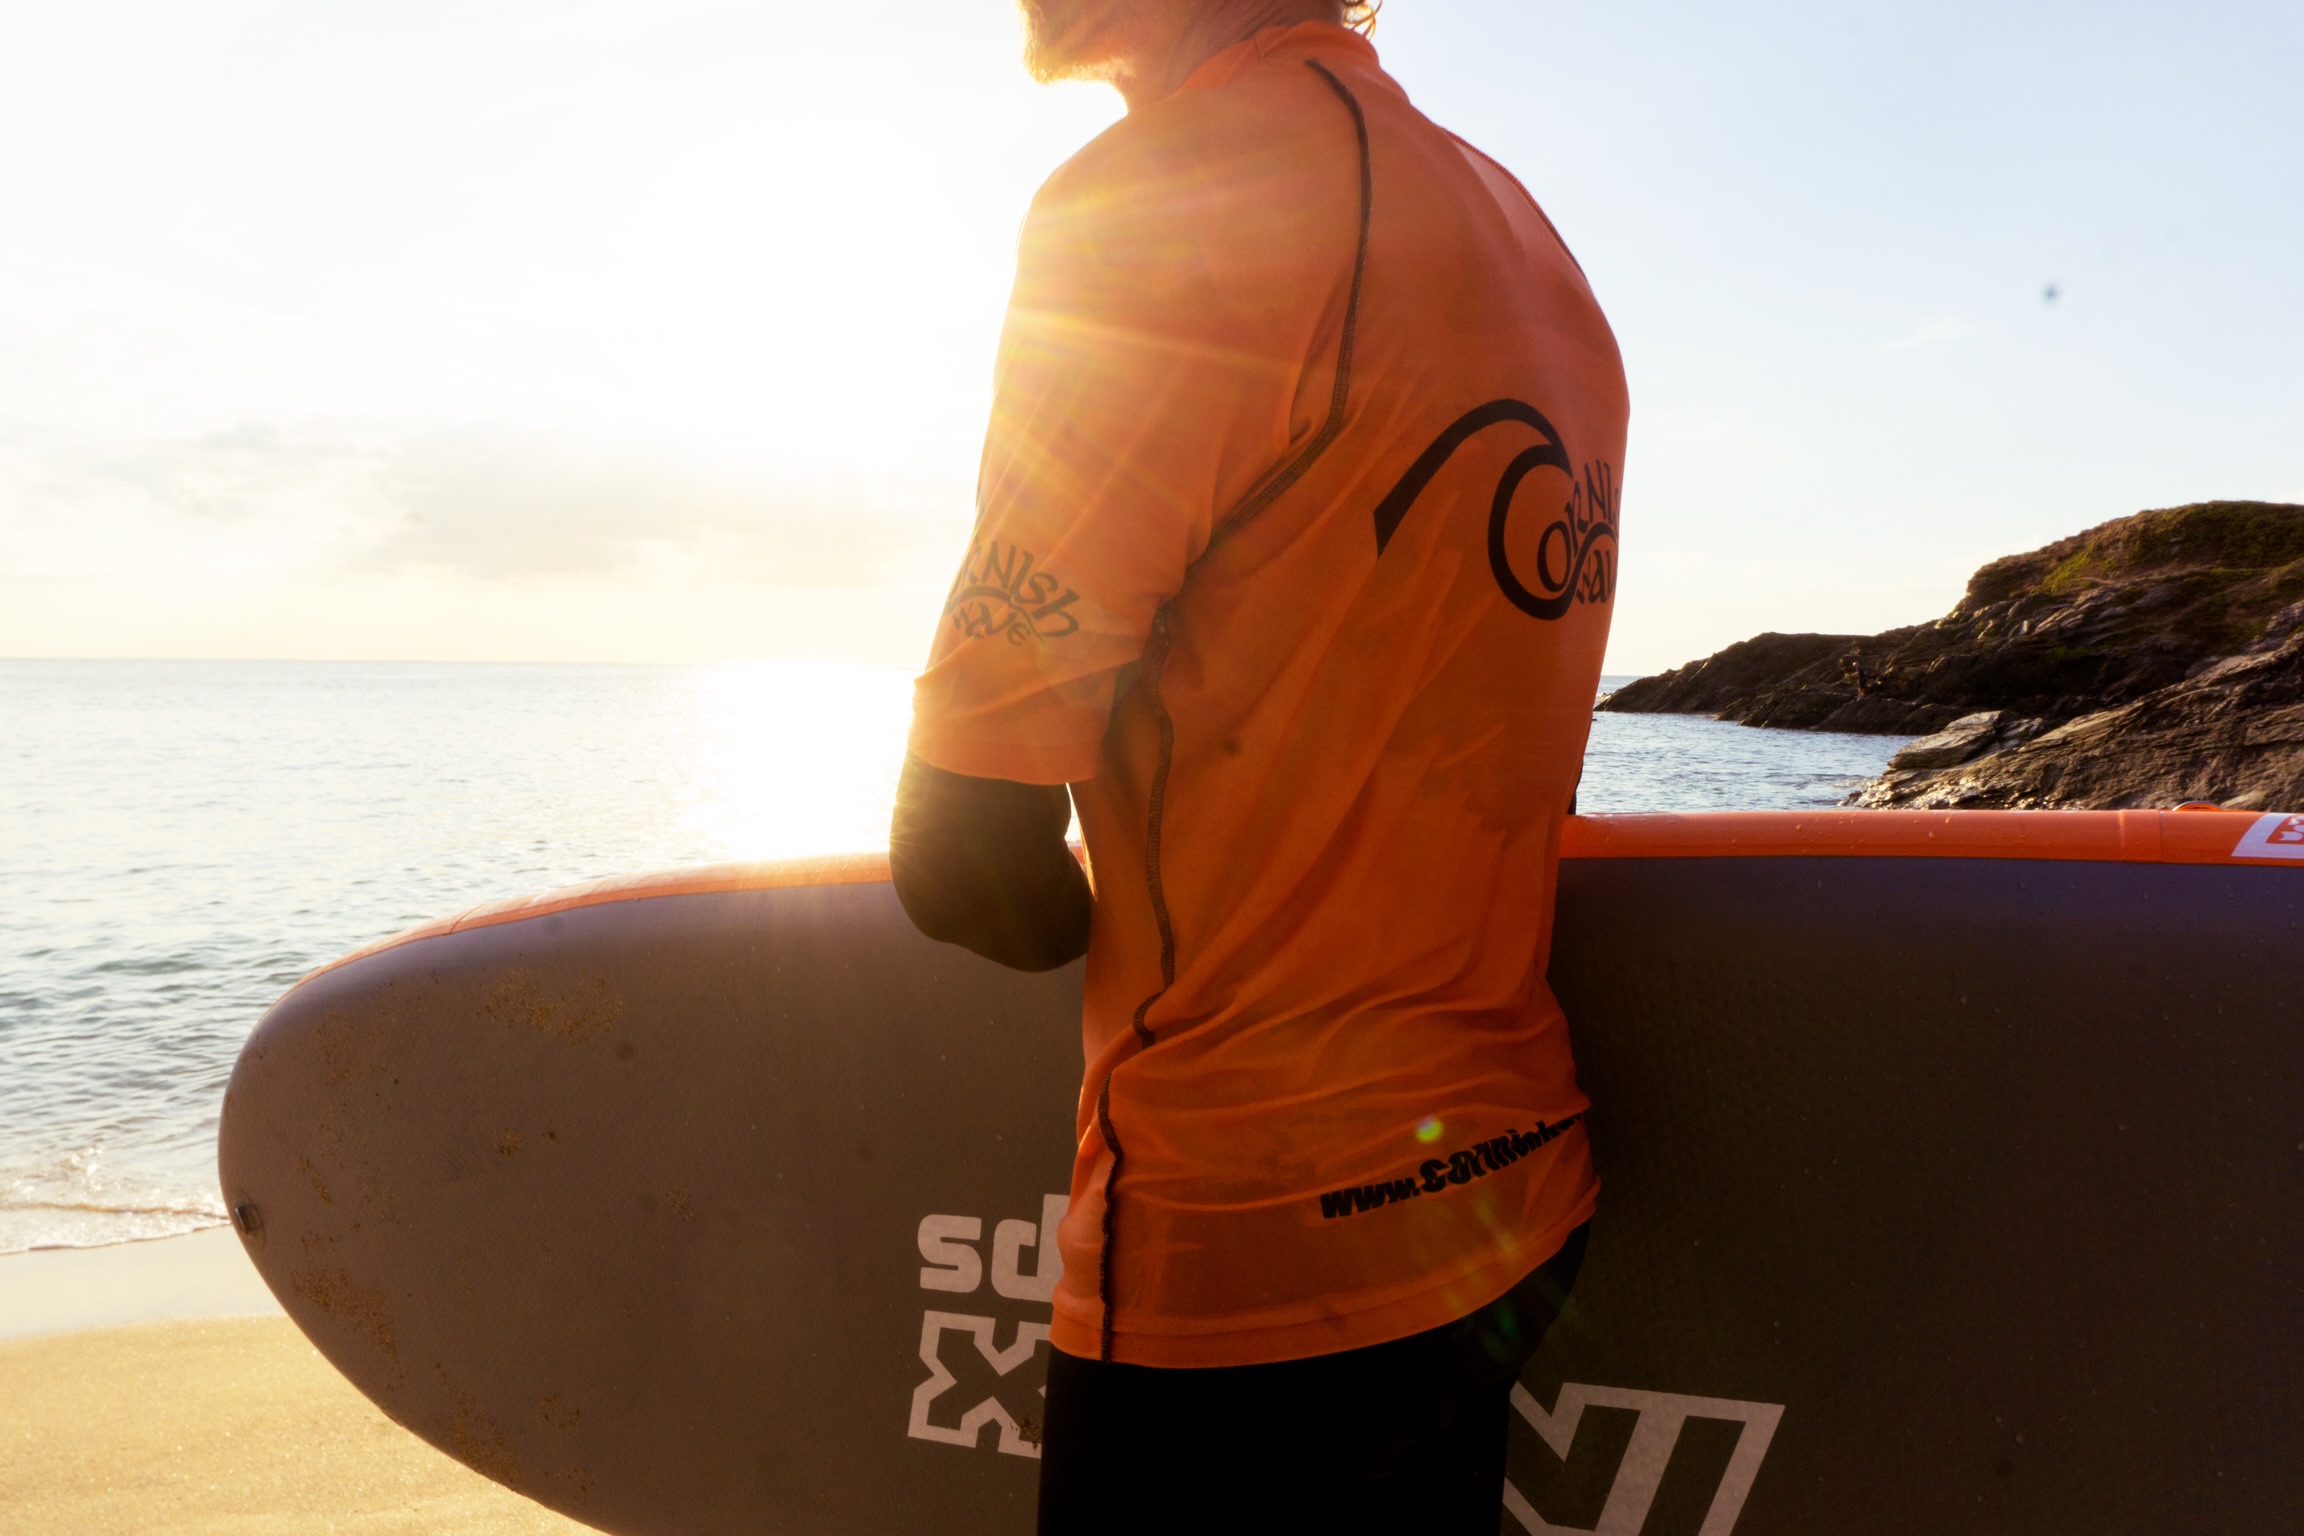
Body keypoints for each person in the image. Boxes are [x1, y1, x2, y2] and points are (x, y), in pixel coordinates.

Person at [890, 1, 1627, 1528]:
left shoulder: (1167, 193)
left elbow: (967, 859)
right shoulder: (1520, 228)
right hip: (1504, 1194)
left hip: (1250, 1242)